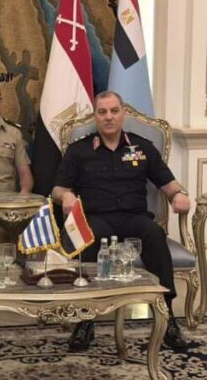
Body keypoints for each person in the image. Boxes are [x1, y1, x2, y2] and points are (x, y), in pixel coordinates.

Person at [52, 91, 191, 351]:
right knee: (90, 236)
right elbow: (58, 190)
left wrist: (178, 194)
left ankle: (167, 316)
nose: (109, 117)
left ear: (123, 114)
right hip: (96, 218)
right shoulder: (79, 150)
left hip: (133, 218)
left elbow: (168, 182)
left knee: (154, 233)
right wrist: (67, 195)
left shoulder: (142, 147)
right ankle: (85, 319)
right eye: (102, 112)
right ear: (95, 116)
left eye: (114, 111)